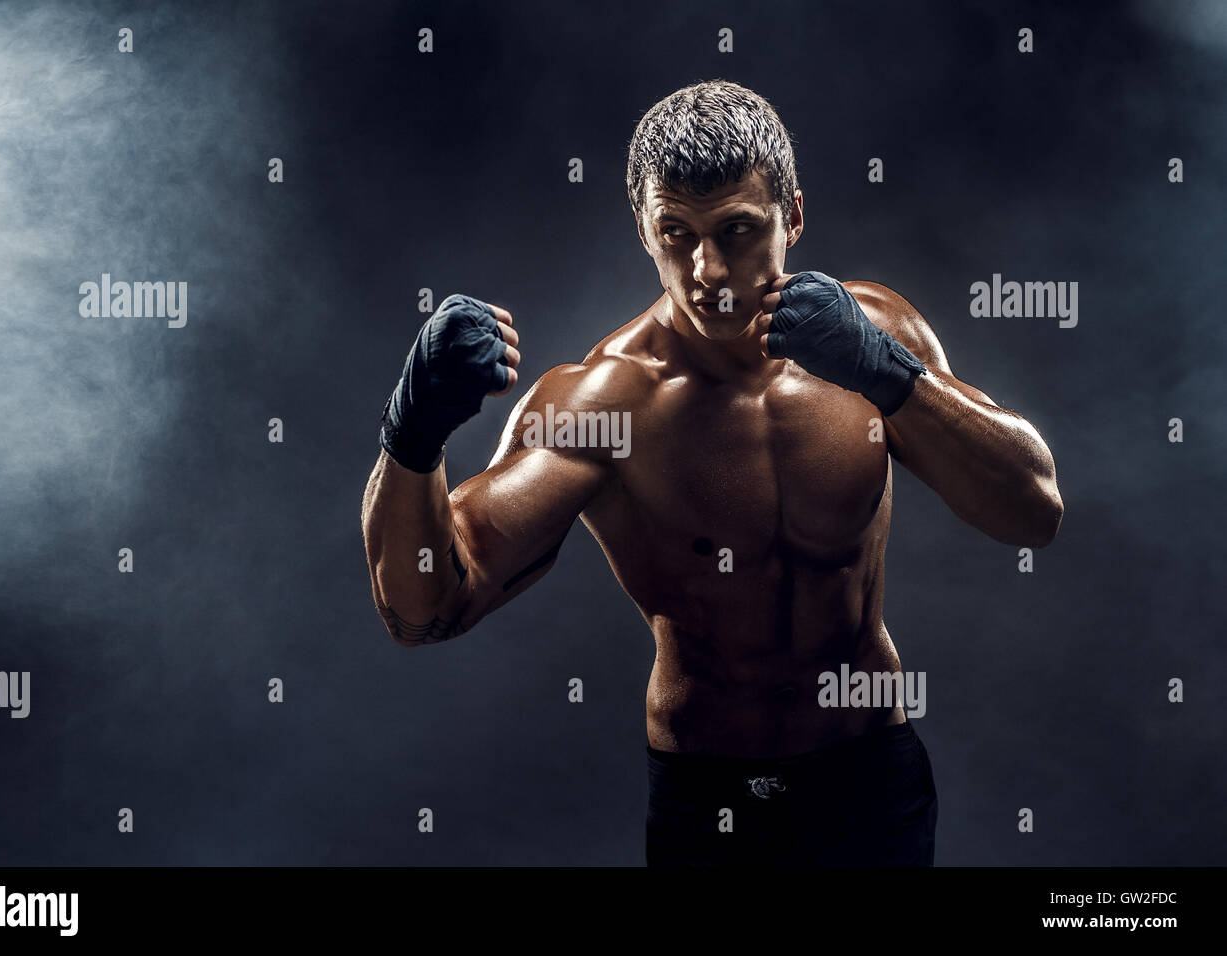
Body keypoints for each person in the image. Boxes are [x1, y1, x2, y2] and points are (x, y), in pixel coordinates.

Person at [361, 79, 1063, 866]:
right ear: (643, 229)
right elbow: (425, 611)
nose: (707, 270)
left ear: (792, 216)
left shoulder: (876, 334)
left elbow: (1033, 511)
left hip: (869, 777)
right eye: (676, 234)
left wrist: (890, 375)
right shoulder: (606, 402)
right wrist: (412, 435)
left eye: (736, 230)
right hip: (711, 803)